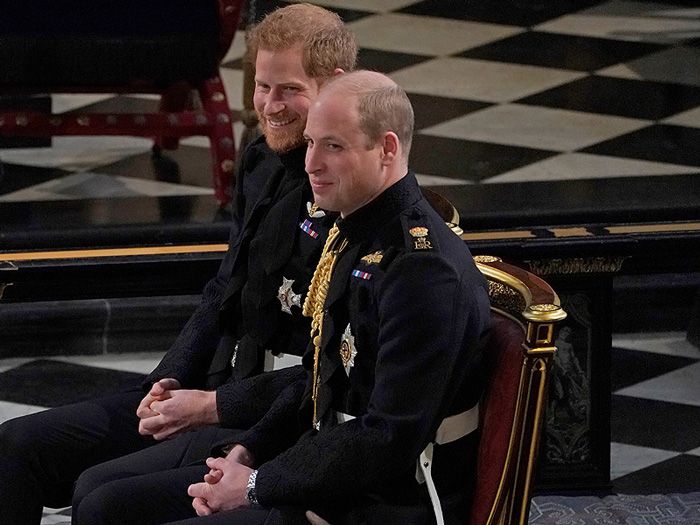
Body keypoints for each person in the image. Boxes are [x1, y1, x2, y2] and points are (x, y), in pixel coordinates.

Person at [77, 70, 492, 525]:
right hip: (331, 474)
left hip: (385, 504)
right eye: (311, 142)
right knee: (105, 505)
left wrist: (256, 486)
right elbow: (317, 381)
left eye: (333, 146)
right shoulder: (354, 232)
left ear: (387, 149)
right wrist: (247, 452)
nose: (311, 163)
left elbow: (387, 437)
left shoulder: (423, 271)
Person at [0, 5, 357, 524]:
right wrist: (164, 385)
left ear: (335, 86)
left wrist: (212, 410)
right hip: (210, 386)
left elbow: (326, 376)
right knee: (16, 446)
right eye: (262, 87)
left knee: (101, 498)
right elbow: (222, 291)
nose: (270, 106)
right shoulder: (259, 162)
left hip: (271, 419)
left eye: (289, 90)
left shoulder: (350, 196)